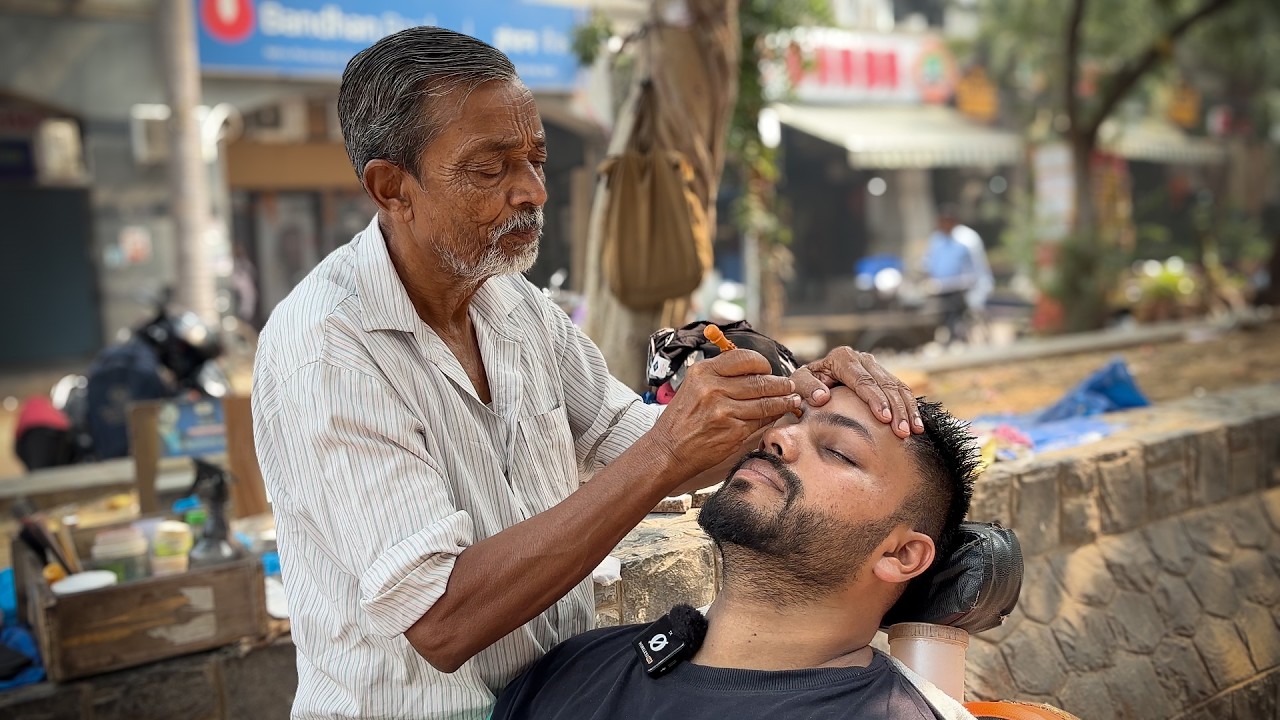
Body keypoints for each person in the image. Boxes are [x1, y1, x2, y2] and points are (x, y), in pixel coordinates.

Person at [252, 27, 925, 720]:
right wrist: (667, 453)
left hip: (550, 696)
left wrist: (797, 399)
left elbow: (639, 438)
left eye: (536, 158)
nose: (533, 191)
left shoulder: (511, 304)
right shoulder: (328, 348)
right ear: (392, 187)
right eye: (491, 170)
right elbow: (442, 620)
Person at [492, 386, 979, 720]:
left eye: (839, 451)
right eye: (787, 422)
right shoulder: (575, 670)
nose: (778, 438)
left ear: (900, 554)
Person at [923, 205, 993, 344]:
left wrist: (980, 290)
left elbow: (978, 268)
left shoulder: (967, 239)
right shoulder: (936, 240)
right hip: (942, 290)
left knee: (958, 318)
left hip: (962, 289)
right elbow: (928, 263)